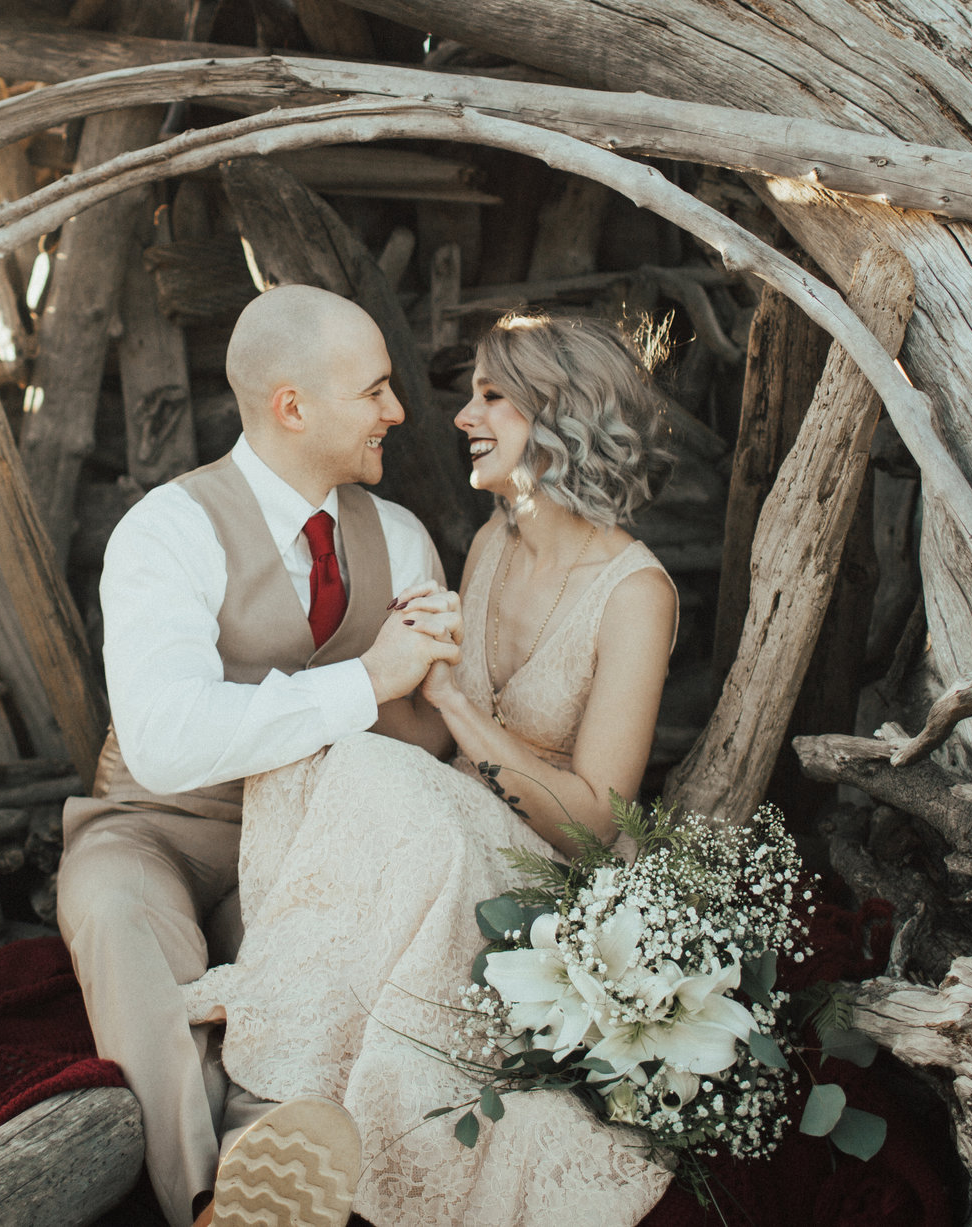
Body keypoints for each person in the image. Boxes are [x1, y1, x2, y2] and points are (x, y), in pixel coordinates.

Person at [185, 313, 681, 1227]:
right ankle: (286, 1159)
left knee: (392, 790)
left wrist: (449, 704)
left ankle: (275, 1137)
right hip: (447, 827)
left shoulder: (636, 594)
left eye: (492, 395)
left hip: (541, 881)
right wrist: (392, 664)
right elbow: (430, 741)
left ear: (560, 414)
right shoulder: (494, 544)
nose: (461, 415)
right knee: (325, 763)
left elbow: (593, 827)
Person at [56, 284, 462, 1227]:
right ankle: (205, 1202)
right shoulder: (167, 531)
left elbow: (419, 751)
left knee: (314, 971)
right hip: (156, 828)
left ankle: (265, 1175)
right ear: (292, 406)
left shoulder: (400, 542)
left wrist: (424, 685)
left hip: (311, 842)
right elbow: (165, 741)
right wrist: (370, 677)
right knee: (121, 925)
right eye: (375, 390)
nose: (398, 412)